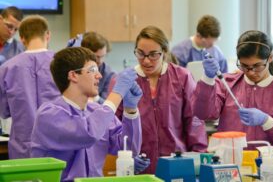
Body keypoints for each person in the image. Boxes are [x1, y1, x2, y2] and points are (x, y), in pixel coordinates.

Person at [31, 47, 143, 181]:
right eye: (92, 70)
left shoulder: (97, 111)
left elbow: (128, 146)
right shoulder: (49, 115)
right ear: (73, 75)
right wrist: (116, 95)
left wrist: (130, 110)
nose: (99, 76)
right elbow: (88, 133)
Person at [115, 26, 208, 173]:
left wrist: (199, 157)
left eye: (153, 55)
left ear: (164, 53)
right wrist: (126, 156)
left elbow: (194, 120)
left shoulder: (182, 77)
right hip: (138, 168)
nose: (146, 61)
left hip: (177, 163)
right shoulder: (125, 80)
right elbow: (114, 126)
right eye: (140, 54)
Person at [192, 30, 273, 149]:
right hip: (229, 163)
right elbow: (202, 114)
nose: (251, 72)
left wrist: (267, 122)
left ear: (270, 58)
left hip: (268, 165)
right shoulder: (227, 84)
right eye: (244, 66)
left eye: (257, 66)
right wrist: (208, 79)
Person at [0, 15, 60, 159]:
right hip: (58, 140)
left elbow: (4, 111)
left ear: (22, 38)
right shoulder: (62, 63)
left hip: (23, 144)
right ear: (48, 35)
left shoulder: (7, 68)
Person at [67, 32, 115, 103]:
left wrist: (95, 97)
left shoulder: (108, 74)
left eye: (103, 56)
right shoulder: (73, 69)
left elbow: (107, 105)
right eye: (97, 57)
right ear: (85, 53)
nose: (100, 61)